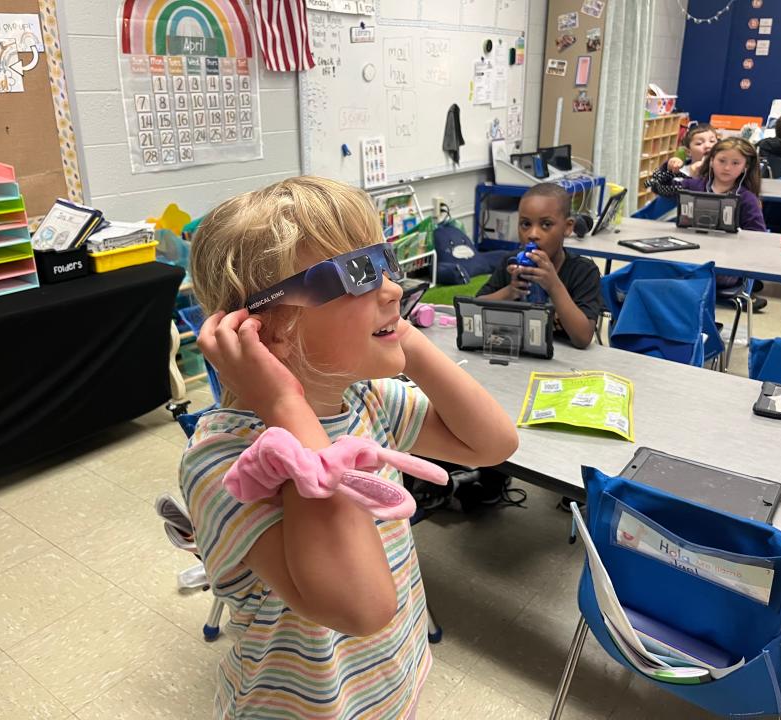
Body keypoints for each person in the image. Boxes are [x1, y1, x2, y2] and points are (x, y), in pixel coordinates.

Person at [181, 176, 519, 720]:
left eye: (385, 260)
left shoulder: (363, 402)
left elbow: (492, 444)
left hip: (385, 687)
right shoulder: (227, 461)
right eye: (357, 274)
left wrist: (397, 328)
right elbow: (361, 607)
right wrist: (288, 409)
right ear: (267, 328)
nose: (393, 286)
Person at [476, 183, 604, 348]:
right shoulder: (511, 263)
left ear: (567, 227)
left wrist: (553, 284)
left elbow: (583, 338)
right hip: (516, 355)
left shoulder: (583, 271)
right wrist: (510, 291)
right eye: (525, 224)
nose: (533, 235)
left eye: (546, 224)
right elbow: (474, 310)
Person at [681, 137, 768, 310]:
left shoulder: (746, 198)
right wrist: (669, 167)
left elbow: (758, 236)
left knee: (683, 274)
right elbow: (655, 185)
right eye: (722, 161)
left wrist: (734, 238)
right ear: (711, 161)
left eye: (735, 163)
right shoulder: (695, 185)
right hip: (690, 253)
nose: (727, 168)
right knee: (662, 265)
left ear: (745, 167)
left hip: (724, 262)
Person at [646, 122, 718, 196]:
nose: (708, 145)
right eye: (699, 143)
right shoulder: (681, 173)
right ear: (688, 152)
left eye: (712, 141)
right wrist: (667, 168)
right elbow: (660, 190)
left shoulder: (722, 172)